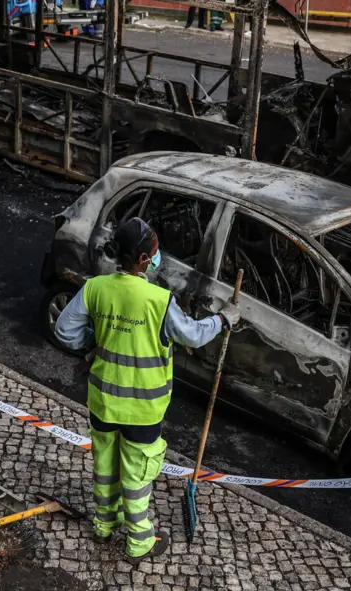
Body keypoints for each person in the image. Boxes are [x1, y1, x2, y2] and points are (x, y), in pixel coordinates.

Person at [52, 217, 241, 563]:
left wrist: (93, 343)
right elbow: (194, 336)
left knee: (105, 466)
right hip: (142, 409)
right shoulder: (159, 300)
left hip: (103, 401)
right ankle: (139, 541)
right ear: (142, 260)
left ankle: (104, 524)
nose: (157, 258)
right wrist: (224, 320)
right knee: (137, 474)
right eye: (154, 253)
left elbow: (65, 331)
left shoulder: (96, 288)